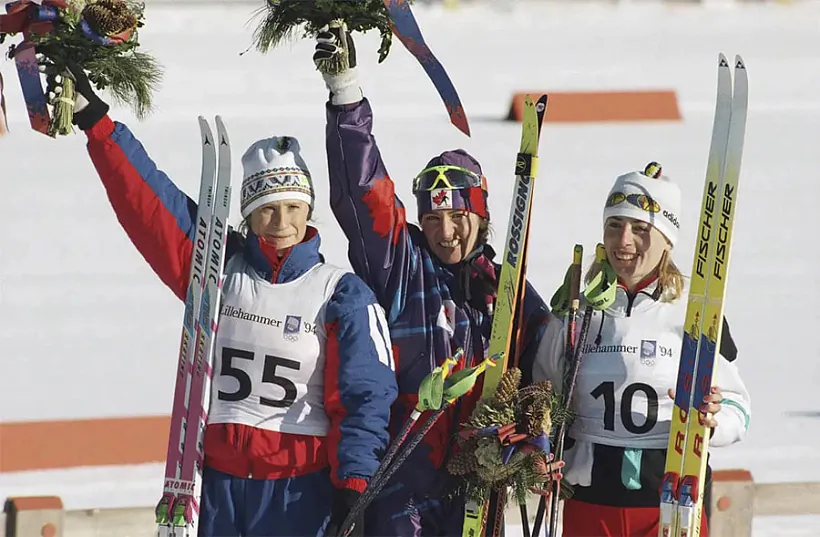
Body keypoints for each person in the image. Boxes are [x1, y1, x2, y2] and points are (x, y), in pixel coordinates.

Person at [50, 62, 398, 537]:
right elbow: (152, 207)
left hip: (299, 492)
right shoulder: (216, 271)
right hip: (217, 489)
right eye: (267, 210)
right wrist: (98, 125)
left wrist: (354, 481)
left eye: (293, 208)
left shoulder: (341, 293)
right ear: (249, 218)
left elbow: (366, 396)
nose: (281, 223)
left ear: (309, 211)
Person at [311, 22, 555, 536]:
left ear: (482, 219)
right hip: (404, 477)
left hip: (480, 481)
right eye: (434, 218)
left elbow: (549, 366)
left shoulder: (507, 293)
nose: (445, 232)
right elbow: (364, 195)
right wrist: (345, 96)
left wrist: (537, 432)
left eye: (459, 218)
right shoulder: (404, 268)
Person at [532, 164, 752, 536]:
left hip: (669, 501)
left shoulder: (694, 310)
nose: (625, 241)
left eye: (641, 229)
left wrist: (712, 420)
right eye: (614, 226)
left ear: (667, 240)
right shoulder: (577, 310)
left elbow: (737, 405)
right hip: (590, 498)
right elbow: (541, 393)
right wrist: (537, 446)